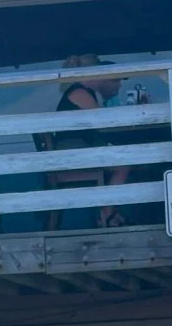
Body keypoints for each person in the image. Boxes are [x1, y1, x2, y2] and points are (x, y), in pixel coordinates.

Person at [45, 55, 129, 228]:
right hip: (73, 155)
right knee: (123, 166)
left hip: (77, 152)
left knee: (120, 162)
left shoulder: (83, 92)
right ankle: (107, 214)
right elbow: (104, 124)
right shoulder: (80, 93)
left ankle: (106, 213)